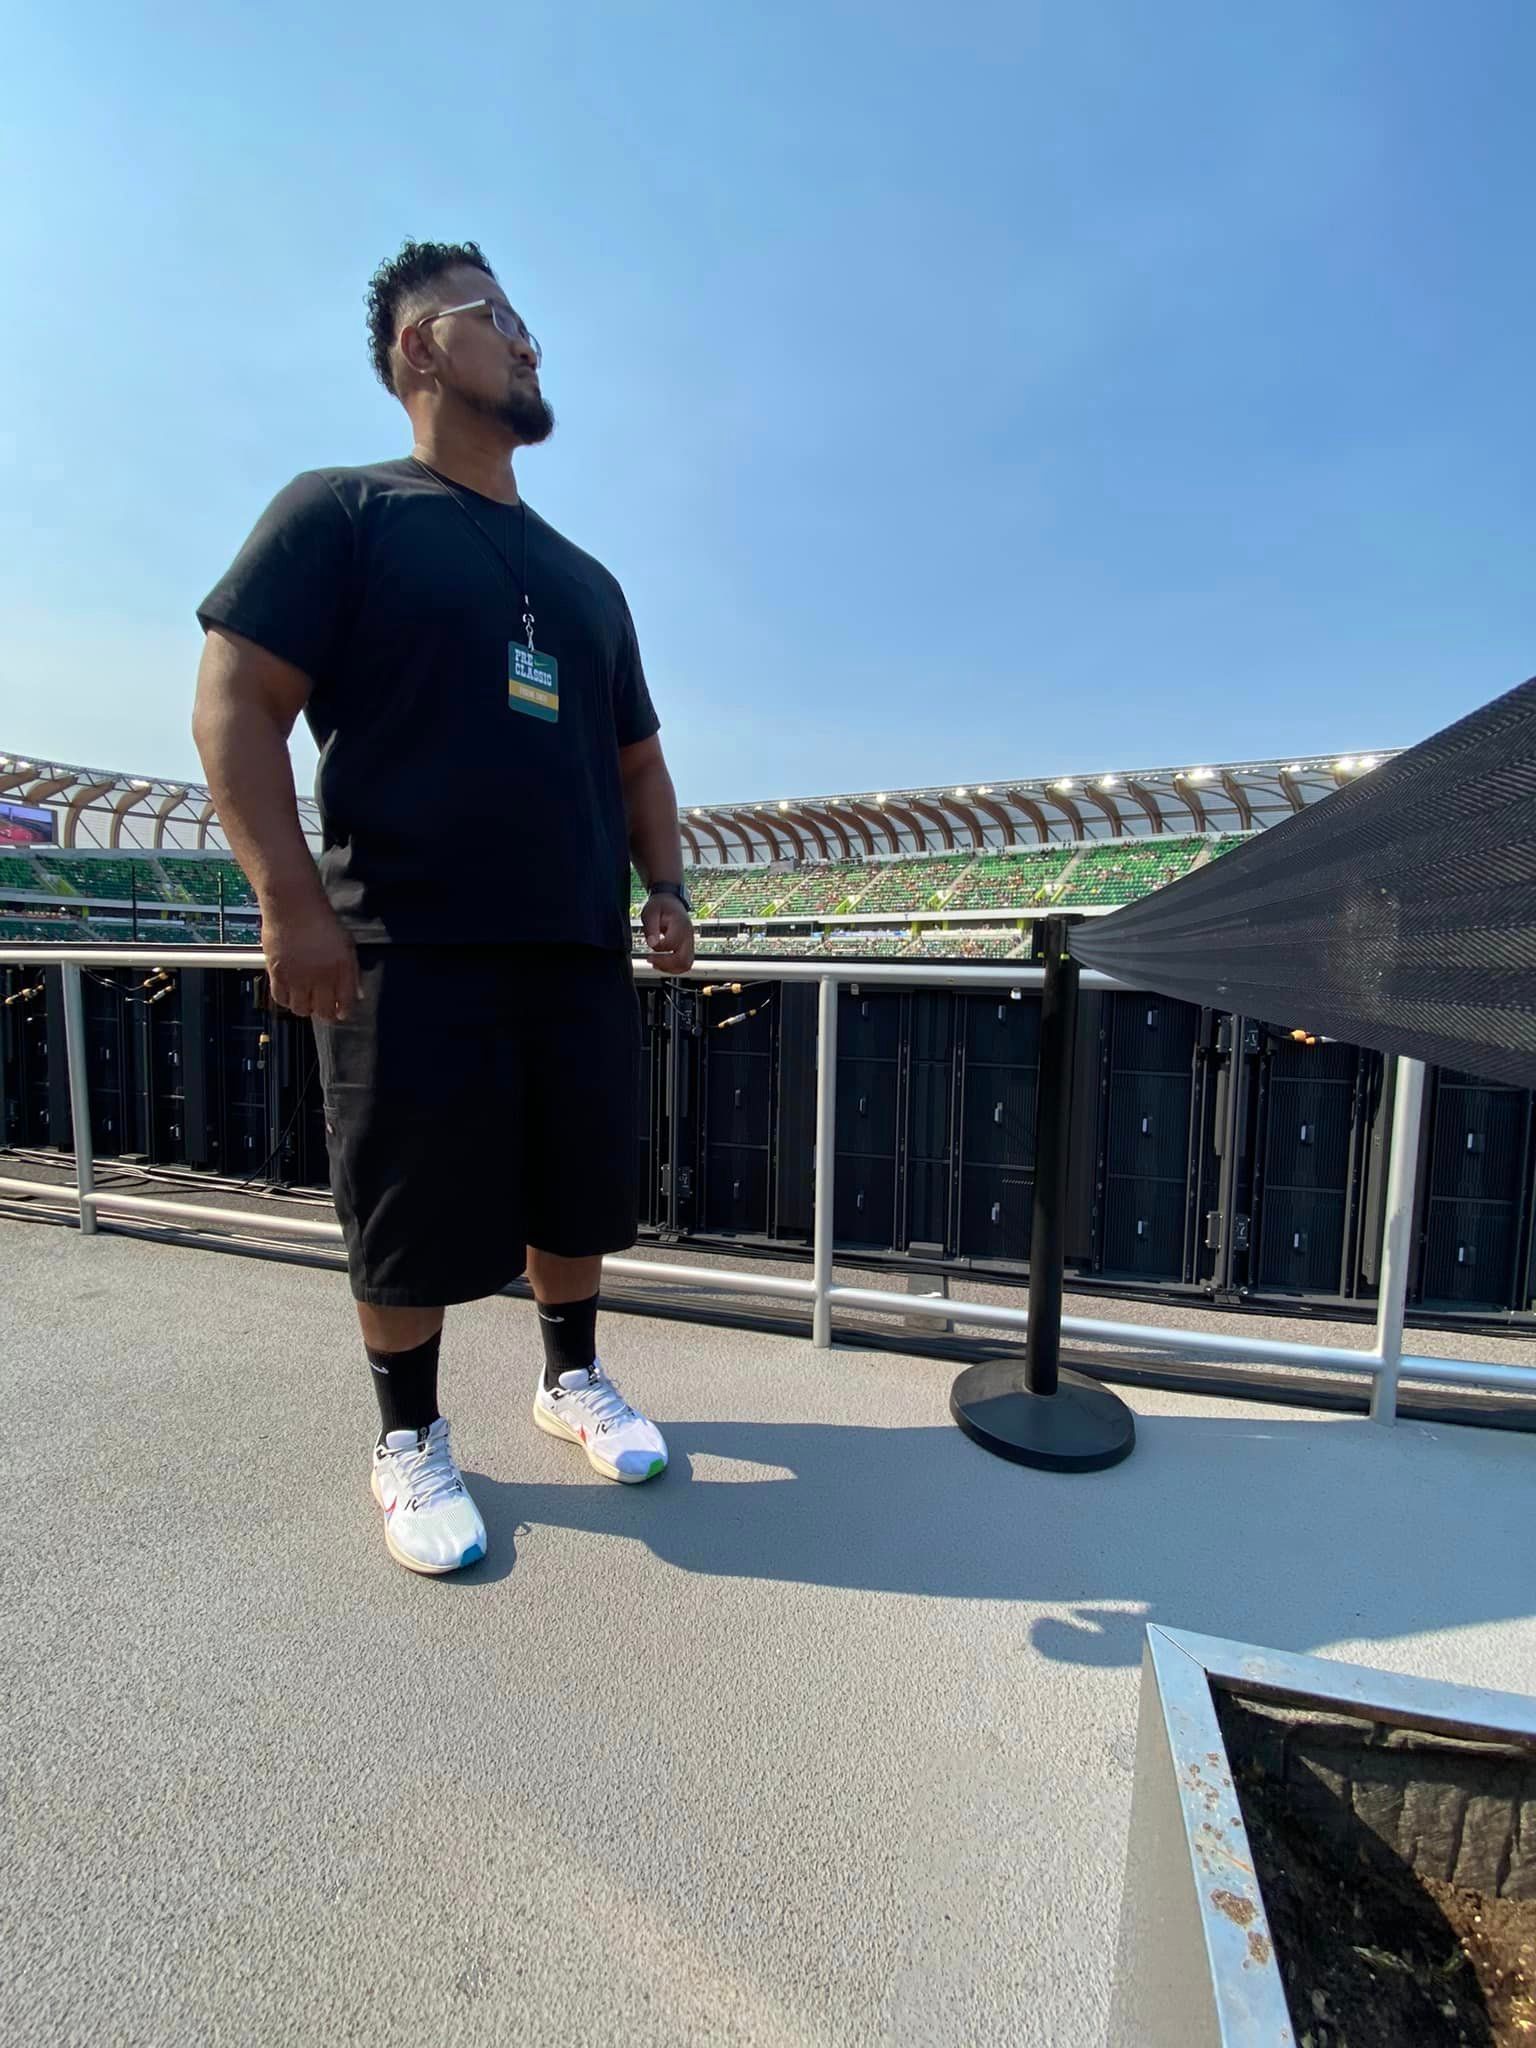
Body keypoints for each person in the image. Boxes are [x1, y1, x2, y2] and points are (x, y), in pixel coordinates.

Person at [192, 238, 695, 1576]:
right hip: (405, 944)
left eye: (527, 319)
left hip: (572, 944)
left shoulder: (588, 582)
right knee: (407, 1207)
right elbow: (237, 697)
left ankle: (569, 1378)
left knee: (573, 1192)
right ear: (422, 349)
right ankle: (409, 1438)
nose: (529, 341)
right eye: (495, 318)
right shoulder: (344, 513)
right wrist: (289, 902)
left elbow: (638, 759)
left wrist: (667, 885)